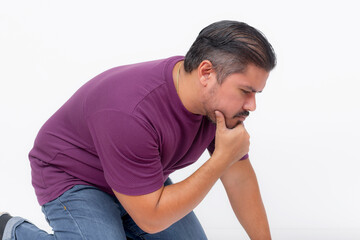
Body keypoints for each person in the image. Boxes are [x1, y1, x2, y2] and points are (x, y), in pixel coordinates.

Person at [0, 20, 276, 240]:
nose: (251, 105)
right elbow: (151, 218)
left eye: (256, 94)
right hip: (74, 176)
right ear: (206, 73)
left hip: (139, 183)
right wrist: (221, 159)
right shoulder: (130, 113)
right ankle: (11, 231)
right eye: (245, 91)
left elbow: (238, 178)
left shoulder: (219, 103)